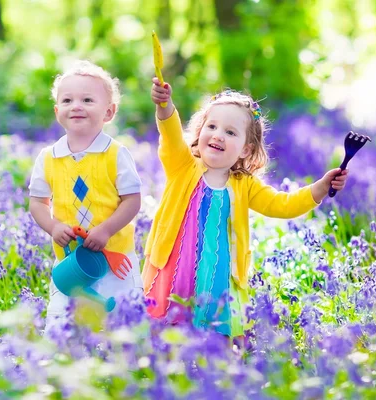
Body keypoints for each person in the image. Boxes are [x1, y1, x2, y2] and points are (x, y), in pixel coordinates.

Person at [142, 78, 349, 337]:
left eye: (230, 132)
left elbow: (281, 205)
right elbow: (170, 135)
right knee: (168, 326)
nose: (218, 135)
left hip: (218, 273)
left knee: (217, 332)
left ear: (245, 149)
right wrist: (165, 105)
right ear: (200, 130)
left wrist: (319, 187)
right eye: (212, 126)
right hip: (176, 267)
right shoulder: (182, 166)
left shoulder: (244, 184)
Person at [28, 60, 143, 325]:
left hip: (115, 261)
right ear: (57, 111)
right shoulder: (48, 157)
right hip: (71, 262)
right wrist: (53, 227)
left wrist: (105, 230)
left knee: (121, 324)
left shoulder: (116, 154)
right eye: (67, 100)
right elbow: (37, 203)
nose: (76, 106)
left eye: (88, 100)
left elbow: (132, 201)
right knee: (64, 325)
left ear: (109, 112)